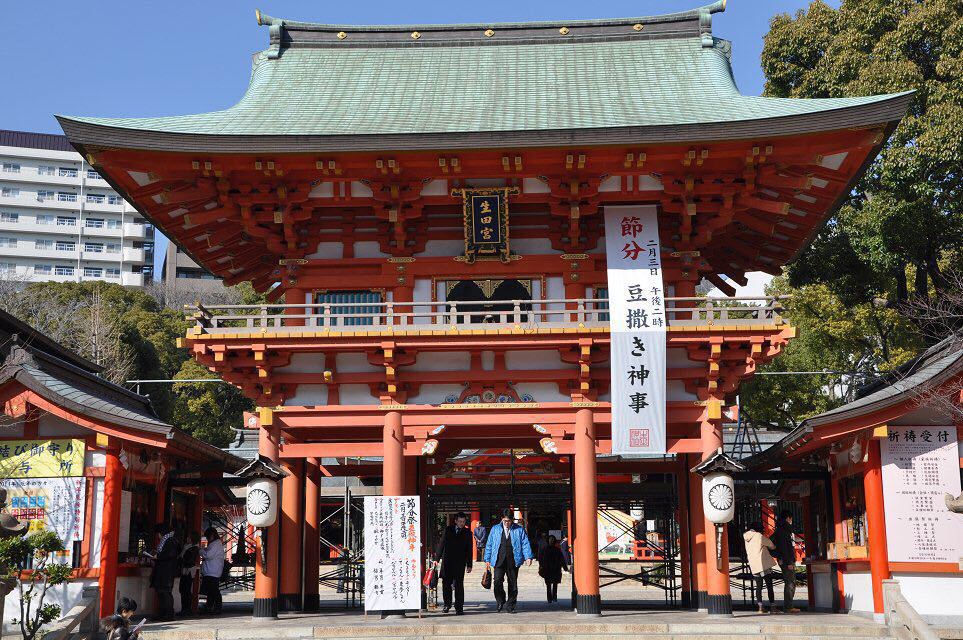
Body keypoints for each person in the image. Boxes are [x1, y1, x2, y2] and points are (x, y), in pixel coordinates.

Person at [483, 509, 534, 614]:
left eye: (509, 521)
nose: (507, 523)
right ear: (502, 519)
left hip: (513, 560)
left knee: (513, 584)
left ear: (512, 520)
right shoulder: (495, 529)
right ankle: (500, 601)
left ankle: (511, 605)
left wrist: (528, 556)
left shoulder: (519, 530)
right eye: (505, 521)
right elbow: (489, 544)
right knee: (497, 582)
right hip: (498, 560)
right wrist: (487, 559)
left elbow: (525, 543)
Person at [432, 512, 473, 615]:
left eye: (463, 522)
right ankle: (447, 604)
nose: (461, 523)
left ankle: (459, 607)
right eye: (460, 521)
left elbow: (469, 549)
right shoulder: (448, 530)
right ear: (455, 521)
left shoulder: (468, 533)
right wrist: (437, 558)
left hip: (460, 563)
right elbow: (441, 544)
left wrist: (469, 564)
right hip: (447, 561)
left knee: (459, 585)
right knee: (446, 584)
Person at [744, 521, 776, 614]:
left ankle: (760, 608)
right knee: (769, 585)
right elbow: (771, 544)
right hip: (763, 564)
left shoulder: (746, 536)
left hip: (753, 564)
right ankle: (773, 607)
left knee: (758, 586)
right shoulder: (758, 535)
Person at [149, 524, 179, 621]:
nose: (158, 536)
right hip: (163, 571)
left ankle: (168, 614)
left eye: (158, 534)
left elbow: (170, 554)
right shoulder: (167, 540)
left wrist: (158, 556)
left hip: (166, 571)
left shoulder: (170, 541)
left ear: (161, 533)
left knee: (165, 593)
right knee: (161, 593)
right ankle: (162, 613)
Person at [772, 511, 800, 613]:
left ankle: (789, 605)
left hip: (784, 559)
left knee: (790, 582)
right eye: (790, 518)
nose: (791, 521)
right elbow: (784, 548)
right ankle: (788, 606)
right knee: (790, 582)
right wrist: (788, 562)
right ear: (788, 518)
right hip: (786, 560)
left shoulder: (780, 530)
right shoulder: (783, 531)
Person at [199, 527, 225, 614]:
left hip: (213, 571)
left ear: (212, 535)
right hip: (212, 570)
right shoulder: (215, 544)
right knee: (211, 590)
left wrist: (201, 551)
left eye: (207, 537)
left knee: (213, 590)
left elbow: (208, 555)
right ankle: (210, 606)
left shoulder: (215, 544)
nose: (207, 539)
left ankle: (217, 606)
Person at [538, 534, 568, 603]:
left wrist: (541, 566)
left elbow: (541, 559)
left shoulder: (544, 550)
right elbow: (562, 560)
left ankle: (549, 598)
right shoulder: (557, 550)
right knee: (554, 584)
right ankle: (554, 597)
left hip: (548, 569)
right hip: (555, 569)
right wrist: (565, 568)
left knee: (549, 585)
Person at [177, 531, 201, 616]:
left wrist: (181, 560)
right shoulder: (187, 547)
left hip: (189, 570)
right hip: (185, 570)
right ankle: (185, 609)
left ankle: (186, 609)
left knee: (186, 590)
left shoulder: (193, 548)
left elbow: (189, 560)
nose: (187, 539)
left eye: (189, 537)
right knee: (183, 590)